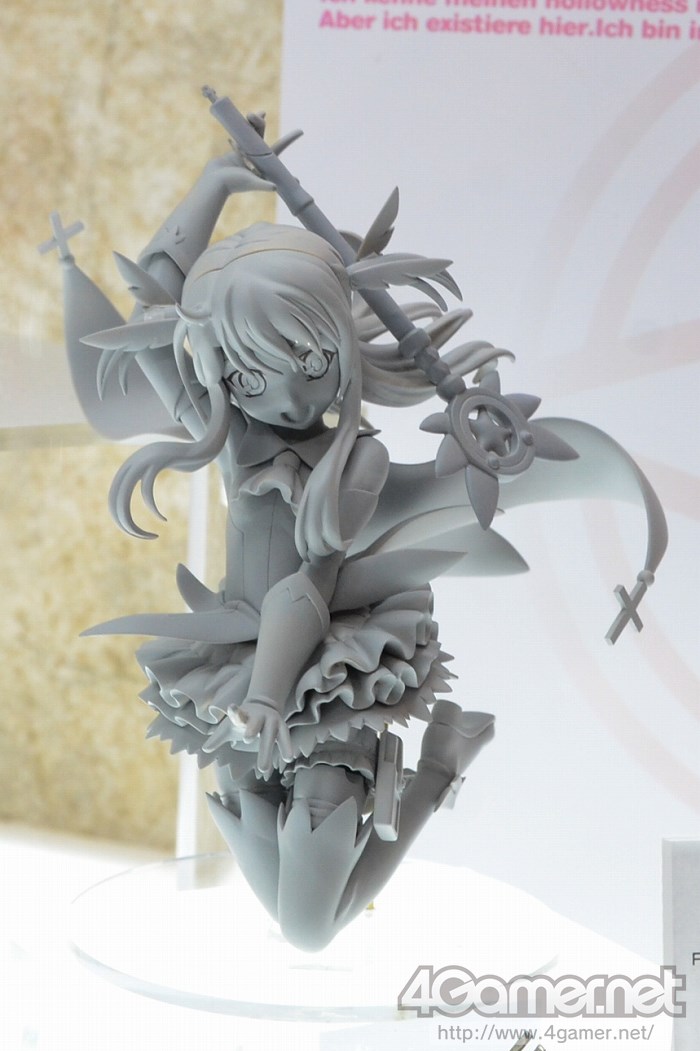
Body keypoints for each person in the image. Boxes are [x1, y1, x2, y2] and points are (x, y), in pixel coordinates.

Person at [48, 134, 665, 951]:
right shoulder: (228, 434)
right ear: (225, 370)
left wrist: (271, 696)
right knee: (284, 892)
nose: (285, 391)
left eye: (308, 359)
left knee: (307, 928)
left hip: (328, 680)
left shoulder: (359, 461)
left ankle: (437, 764)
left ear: (339, 343)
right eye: (250, 372)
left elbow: (309, 585)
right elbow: (159, 306)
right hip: (240, 672)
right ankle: (440, 757)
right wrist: (210, 188)